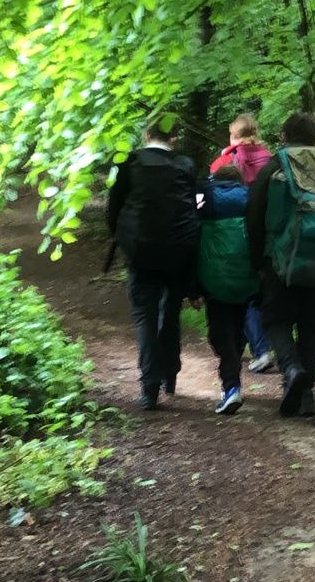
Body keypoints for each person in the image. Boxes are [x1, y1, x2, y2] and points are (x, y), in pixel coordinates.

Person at [246, 111, 315, 418]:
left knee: (276, 319)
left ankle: (292, 369)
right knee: (311, 326)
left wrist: (257, 262)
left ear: (283, 136)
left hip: (278, 259)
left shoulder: (276, 165)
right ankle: (306, 396)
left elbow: (253, 216)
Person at [107, 115, 200, 410]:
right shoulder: (185, 166)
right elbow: (195, 208)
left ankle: (149, 387)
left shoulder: (130, 163)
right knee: (169, 312)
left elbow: (114, 208)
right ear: (174, 137)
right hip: (177, 251)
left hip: (141, 252)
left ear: (147, 134)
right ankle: (169, 374)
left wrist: (124, 241)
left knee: (145, 316)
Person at [210, 113, 274, 374]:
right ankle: (258, 346)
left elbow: (213, 192)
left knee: (242, 294)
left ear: (233, 134)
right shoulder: (269, 159)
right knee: (256, 292)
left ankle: (259, 349)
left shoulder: (225, 160)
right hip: (266, 233)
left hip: (233, 234)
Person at [198, 165, 260, 415]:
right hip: (245, 278)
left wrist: (194, 285)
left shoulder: (207, 200)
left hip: (214, 278)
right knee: (237, 326)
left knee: (219, 333)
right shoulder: (250, 200)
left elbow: (194, 239)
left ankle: (232, 386)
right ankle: (232, 375)